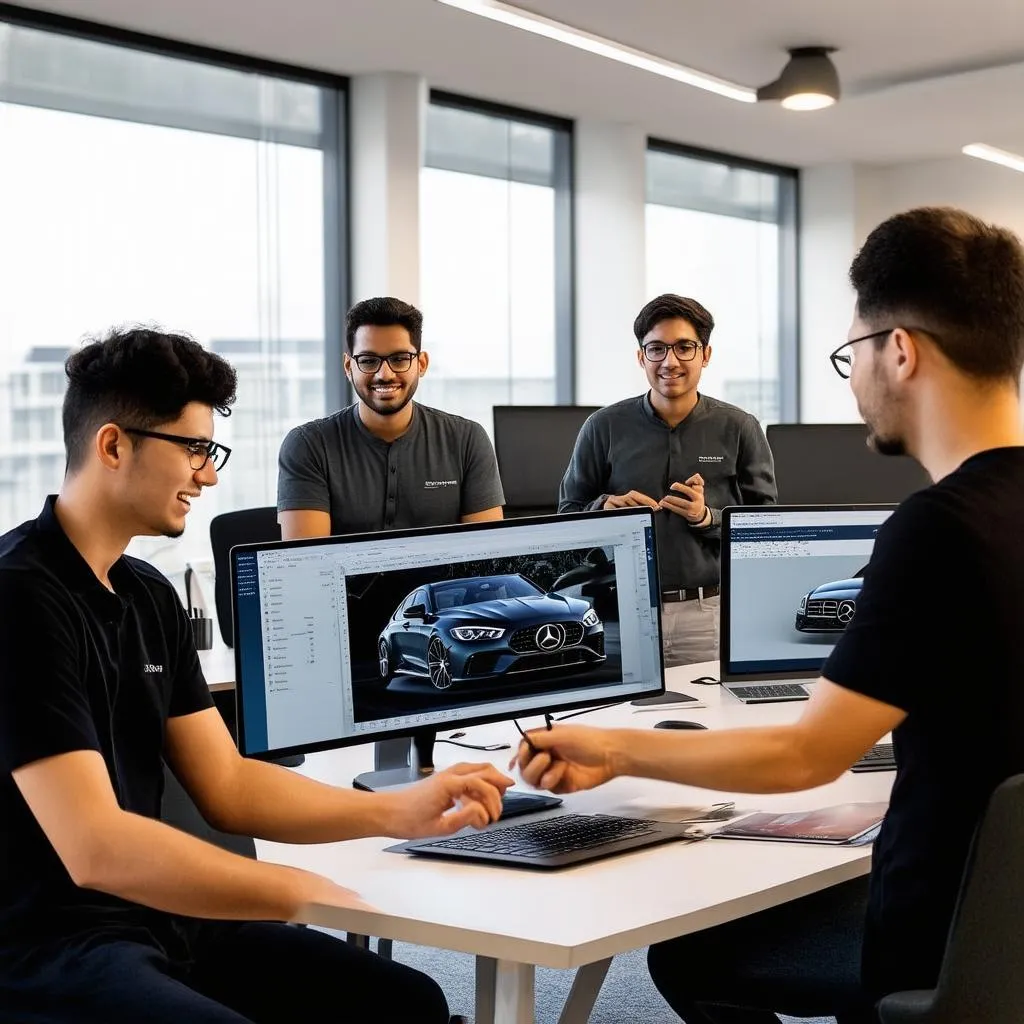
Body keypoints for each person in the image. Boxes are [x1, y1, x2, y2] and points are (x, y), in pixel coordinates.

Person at [517, 207, 1024, 1022]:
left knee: (690, 955)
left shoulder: (937, 532)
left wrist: (611, 748)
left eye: (849, 354)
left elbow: (802, 756)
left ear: (901, 351)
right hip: (1008, 929)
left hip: (938, 940)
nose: (853, 379)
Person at [0, 327, 513, 1024]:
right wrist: (290, 890)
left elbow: (229, 785)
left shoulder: (147, 594)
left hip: (159, 917)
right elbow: (96, 849)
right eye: (194, 450)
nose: (208, 476)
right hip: (48, 944)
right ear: (115, 445)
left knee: (407, 1001)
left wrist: (399, 808)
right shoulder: (19, 597)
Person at [559, 294, 775, 667]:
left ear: (705, 355)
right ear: (641, 357)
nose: (669, 361)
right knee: (617, 720)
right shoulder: (604, 426)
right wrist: (603, 508)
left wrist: (706, 517)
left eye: (684, 348)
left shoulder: (739, 427)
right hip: (621, 612)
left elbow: (766, 529)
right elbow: (567, 516)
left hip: (707, 613)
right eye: (656, 349)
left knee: (709, 720)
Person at [278, 296, 504, 540]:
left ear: (422, 364)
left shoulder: (466, 440)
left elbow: (486, 558)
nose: (384, 374)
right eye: (368, 361)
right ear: (348, 367)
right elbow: (308, 566)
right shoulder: (308, 445)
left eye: (399, 359)